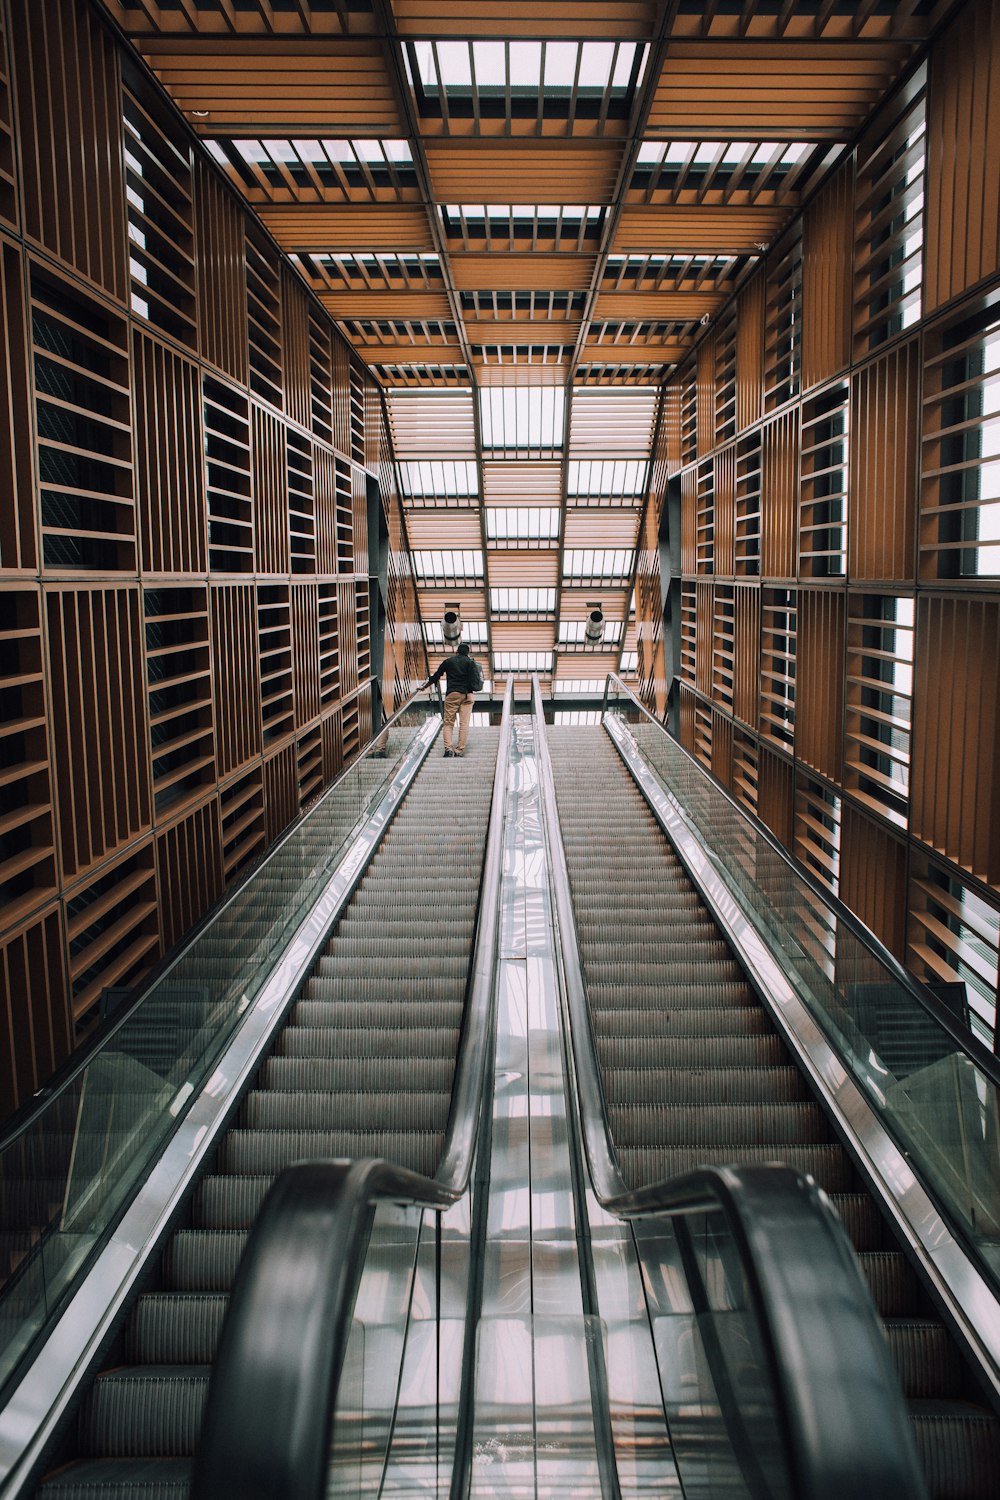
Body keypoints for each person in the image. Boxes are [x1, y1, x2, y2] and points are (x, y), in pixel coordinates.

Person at [425, 641, 482, 757]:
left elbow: (436, 676)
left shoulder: (448, 662)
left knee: (448, 723)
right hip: (468, 695)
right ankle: (459, 750)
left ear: (457, 651)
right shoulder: (471, 662)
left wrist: (425, 686)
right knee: (464, 724)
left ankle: (448, 749)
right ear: (468, 653)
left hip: (453, 694)